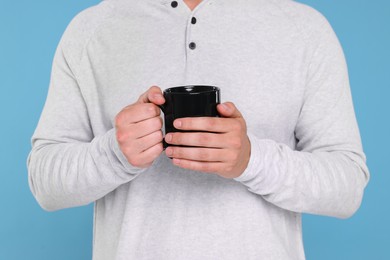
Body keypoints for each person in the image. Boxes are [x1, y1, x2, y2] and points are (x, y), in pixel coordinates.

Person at [27, 0, 370, 259]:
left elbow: (347, 186)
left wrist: (251, 159)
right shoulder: (91, 29)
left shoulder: (304, 28)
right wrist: (114, 154)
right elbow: (45, 184)